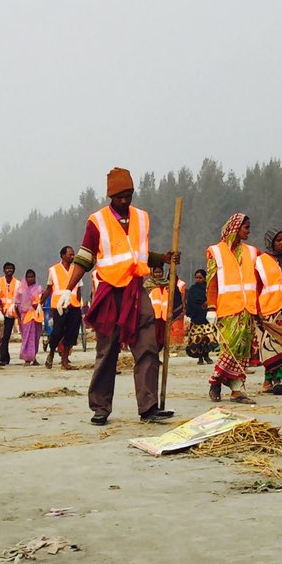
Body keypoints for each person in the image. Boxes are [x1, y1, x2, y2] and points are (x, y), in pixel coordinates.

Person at [63, 167, 179, 424]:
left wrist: (164, 258)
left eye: (128, 195)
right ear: (110, 197)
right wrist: (67, 288)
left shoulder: (141, 218)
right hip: (110, 294)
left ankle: (148, 407)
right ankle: (100, 408)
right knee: (107, 351)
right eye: (119, 197)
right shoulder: (97, 221)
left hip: (137, 291)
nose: (124, 201)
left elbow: (139, 254)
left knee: (148, 346)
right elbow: (85, 257)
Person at [206, 213, 259, 404]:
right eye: (246, 227)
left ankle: (237, 390)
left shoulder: (252, 252)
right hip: (227, 309)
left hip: (247, 309)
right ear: (235, 228)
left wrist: (258, 308)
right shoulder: (216, 251)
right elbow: (211, 282)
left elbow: (257, 281)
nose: (249, 231)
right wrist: (211, 308)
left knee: (243, 351)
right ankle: (216, 382)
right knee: (230, 349)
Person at [255, 228, 282, 395]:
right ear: (270, 241)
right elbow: (256, 287)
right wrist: (256, 310)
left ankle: (277, 379)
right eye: (278, 240)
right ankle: (269, 379)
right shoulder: (260, 262)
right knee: (269, 347)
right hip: (268, 310)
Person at [45, 246, 82, 370]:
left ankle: (64, 361)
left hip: (74, 305)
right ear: (62, 255)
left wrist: (79, 304)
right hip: (59, 305)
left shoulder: (77, 269)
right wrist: (41, 303)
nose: (72, 257)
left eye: (73, 255)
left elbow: (79, 289)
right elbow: (49, 288)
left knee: (71, 333)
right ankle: (51, 353)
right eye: (70, 254)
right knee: (57, 332)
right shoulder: (53, 270)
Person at [146, 265, 184, 349]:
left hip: (164, 315)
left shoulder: (167, 284)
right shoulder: (148, 284)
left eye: (159, 272)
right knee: (152, 338)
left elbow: (175, 296)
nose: (158, 274)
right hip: (152, 316)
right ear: (152, 273)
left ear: (163, 273)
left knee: (162, 338)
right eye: (156, 272)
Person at [185, 269, 215, 365]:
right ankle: (200, 358)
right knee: (198, 339)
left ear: (204, 278)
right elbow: (190, 302)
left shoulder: (208, 288)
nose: (198, 280)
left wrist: (208, 303)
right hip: (196, 317)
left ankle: (207, 356)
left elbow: (212, 298)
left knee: (206, 338)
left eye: (200, 278)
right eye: (196, 278)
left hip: (206, 317)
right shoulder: (193, 289)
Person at [15, 269, 44, 365]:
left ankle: (33, 357)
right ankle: (27, 359)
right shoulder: (21, 290)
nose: (30, 278)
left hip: (36, 315)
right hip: (25, 316)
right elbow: (17, 304)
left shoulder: (39, 289)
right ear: (25, 278)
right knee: (26, 337)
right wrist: (19, 317)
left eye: (32, 276)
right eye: (29, 277)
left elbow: (41, 302)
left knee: (35, 337)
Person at [0, 262, 20, 365]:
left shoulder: (18, 283)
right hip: (0, 312)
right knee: (0, 336)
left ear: (14, 270)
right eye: (7, 268)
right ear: (3, 270)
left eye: (11, 268)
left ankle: (3, 358)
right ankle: (4, 356)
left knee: (6, 336)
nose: (9, 270)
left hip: (10, 313)